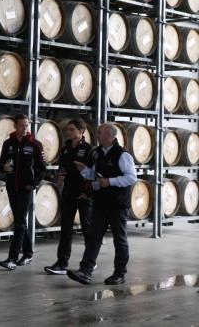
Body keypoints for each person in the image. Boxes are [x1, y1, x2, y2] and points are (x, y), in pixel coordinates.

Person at [67, 122, 137, 285]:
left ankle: (120, 273)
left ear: (110, 136)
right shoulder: (98, 152)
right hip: (100, 202)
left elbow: (132, 177)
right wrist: (85, 170)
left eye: (100, 133)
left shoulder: (122, 155)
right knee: (94, 237)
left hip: (118, 204)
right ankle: (85, 271)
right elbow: (96, 174)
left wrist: (110, 181)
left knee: (119, 239)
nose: (97, 135)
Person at [0, 113, 46, 270]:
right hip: (12, 187)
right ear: (15, 126)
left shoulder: (35, 144)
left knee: (19, 222)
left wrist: (33, 185)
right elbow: (1, 164)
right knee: (20, 221)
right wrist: (3, 167)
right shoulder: (8, 144)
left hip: (25, 189)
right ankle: (28, 253)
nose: (25, 128)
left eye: (27, 125)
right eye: (22, 125)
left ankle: (12, 258)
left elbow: (42, 168)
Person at [44, 118, 94, 275]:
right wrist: (60, 177)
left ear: (82, 131)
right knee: (65, 228)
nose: (69, 132)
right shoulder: (65, 148)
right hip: (69, 193)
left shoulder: (89, 149)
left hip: (84, 195)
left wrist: (88, 193)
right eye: (68, 130)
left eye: (72, 130)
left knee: (88, 229)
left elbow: (94, 175)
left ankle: (90, 261)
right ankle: (61, 262)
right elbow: (62, 168)